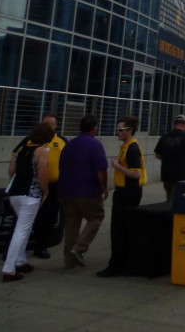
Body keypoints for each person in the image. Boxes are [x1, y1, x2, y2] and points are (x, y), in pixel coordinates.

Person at [2, 121, 55, 281]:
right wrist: (45, 191)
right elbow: (42, 174)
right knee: (21, 230)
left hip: (15, 193)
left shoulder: (21, 150)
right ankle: (9, 268)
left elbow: (11, 171)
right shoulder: (42, 151)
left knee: (23, 228)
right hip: (31, 194)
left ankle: (20, 261)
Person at [11, 113, 67, 259]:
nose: (48, 127)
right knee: (23, 221)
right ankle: (15, 252)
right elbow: (15, 158)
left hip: (53, 185)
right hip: (30, 186)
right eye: (45, 124)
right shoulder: (30, 141)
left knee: (48, 217)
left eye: (51, 124)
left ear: (56, 126)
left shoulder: (62, 141)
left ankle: (41, 246)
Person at [96, 116, 146, 277]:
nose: (118, 132)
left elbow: (136, 173)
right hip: (124, 191)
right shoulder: (126, 146)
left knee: (120, 229)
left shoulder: (132, 148)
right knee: (120, 229)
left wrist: (117, 166)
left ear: (129, 130)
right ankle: (121, 262)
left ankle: (118, 263)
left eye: (121, 130)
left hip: (128, 192)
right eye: (117, 129)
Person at [59, 114, 108, 267]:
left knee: (71, 223)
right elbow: (101, 169)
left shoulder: (70, 144)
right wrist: (104, 186)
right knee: (96, 217)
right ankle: (79, 248)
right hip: (87, 190)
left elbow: (61, 166)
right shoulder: (94, 145)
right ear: (94, 128)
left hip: (67, 190)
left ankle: (69, 258)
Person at [154, 114, 185, 200]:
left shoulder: (164, 137)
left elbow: (157, 155)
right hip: (181, 175)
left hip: (166, 174)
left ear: (174, 124)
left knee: (169, 197)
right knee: (177, 200)